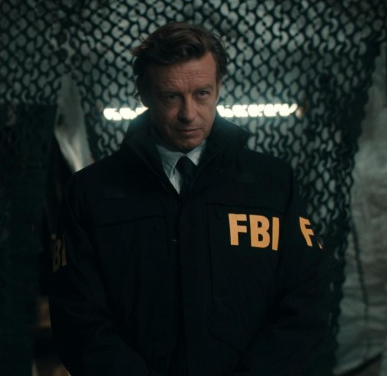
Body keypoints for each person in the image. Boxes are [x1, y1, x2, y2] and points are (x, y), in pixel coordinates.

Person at [48, 22, 330, 375]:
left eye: (202, 93)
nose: (188, 114)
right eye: (171, 96)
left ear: (219, 88)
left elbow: (306, 301)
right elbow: (78, 318)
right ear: (143, 94)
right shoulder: (90, 192)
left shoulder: (272, 183)